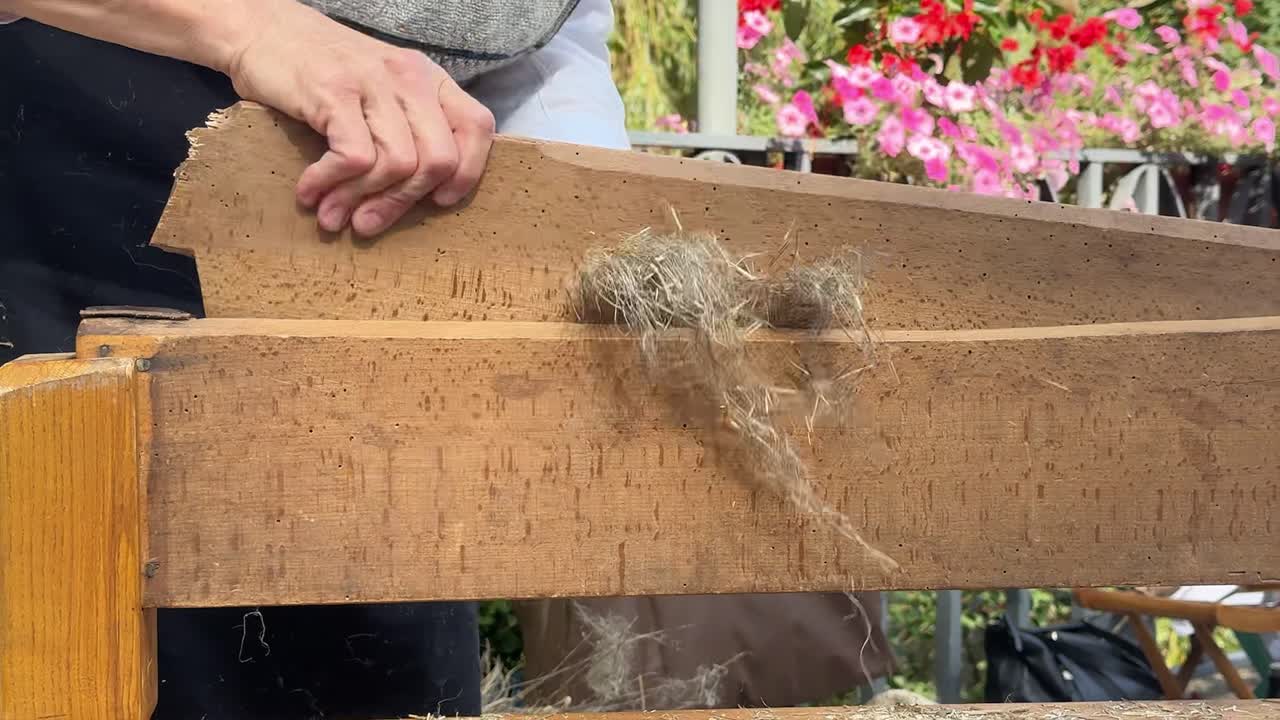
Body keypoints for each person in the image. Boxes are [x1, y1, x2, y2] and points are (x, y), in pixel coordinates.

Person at [0, 1, 626, 718]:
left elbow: (541, 40)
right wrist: (252, 28)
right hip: (66, 220)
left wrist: (580, 224)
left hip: (381, 344)